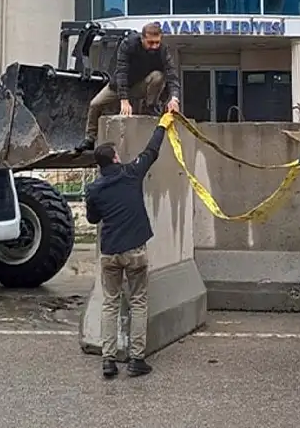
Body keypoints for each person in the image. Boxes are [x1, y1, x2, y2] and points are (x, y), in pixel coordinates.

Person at [84, 111, 174, 379]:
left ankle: (108, 361)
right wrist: (162, 125)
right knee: (138, 302)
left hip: (109, 252)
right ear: (114, 158)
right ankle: (136, 359)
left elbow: (92, 218)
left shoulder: (94, 189)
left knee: (110, 304)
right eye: (116, 154)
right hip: (135, 250)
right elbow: (151, 151)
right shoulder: (131, 173)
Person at [75, 22, 181, 153]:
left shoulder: (162, 51)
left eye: (157, 42)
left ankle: (150, 107)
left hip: (141, 85)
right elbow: (122, 72)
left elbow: (172, 75)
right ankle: (90, 139)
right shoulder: (128, 44)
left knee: (158, 76)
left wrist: (174, 98)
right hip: (119, 86)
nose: (154, 46)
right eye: (150, 43)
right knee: (95, 104)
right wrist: (124, 100)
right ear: (142, 38)